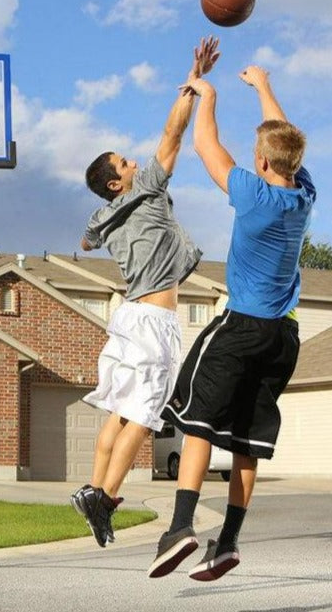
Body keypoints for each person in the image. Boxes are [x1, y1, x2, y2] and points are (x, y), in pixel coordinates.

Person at [147, 66, 316, 580]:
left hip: (241, 326)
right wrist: (264, 87)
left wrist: (210, 94)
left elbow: (203, 143)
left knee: (195, 420)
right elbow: (284, 140)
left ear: (261, 162)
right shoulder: (304, 195)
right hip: (285, 337)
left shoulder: (251, 192)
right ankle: (229, 542)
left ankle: (180, 527)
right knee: (245, 443)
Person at [70, 36, 220, 548]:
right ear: (117, 183)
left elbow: (85, 239)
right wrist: (192, 82)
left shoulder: (104, 215)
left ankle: (92, 488)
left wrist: (92, 233)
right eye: (125, 163)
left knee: (118, 410)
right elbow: (172, 134)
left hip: (126, 318)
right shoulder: (146, 192)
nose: (134, 162)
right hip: (152, 320)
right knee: (143, 412)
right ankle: (105, 497)